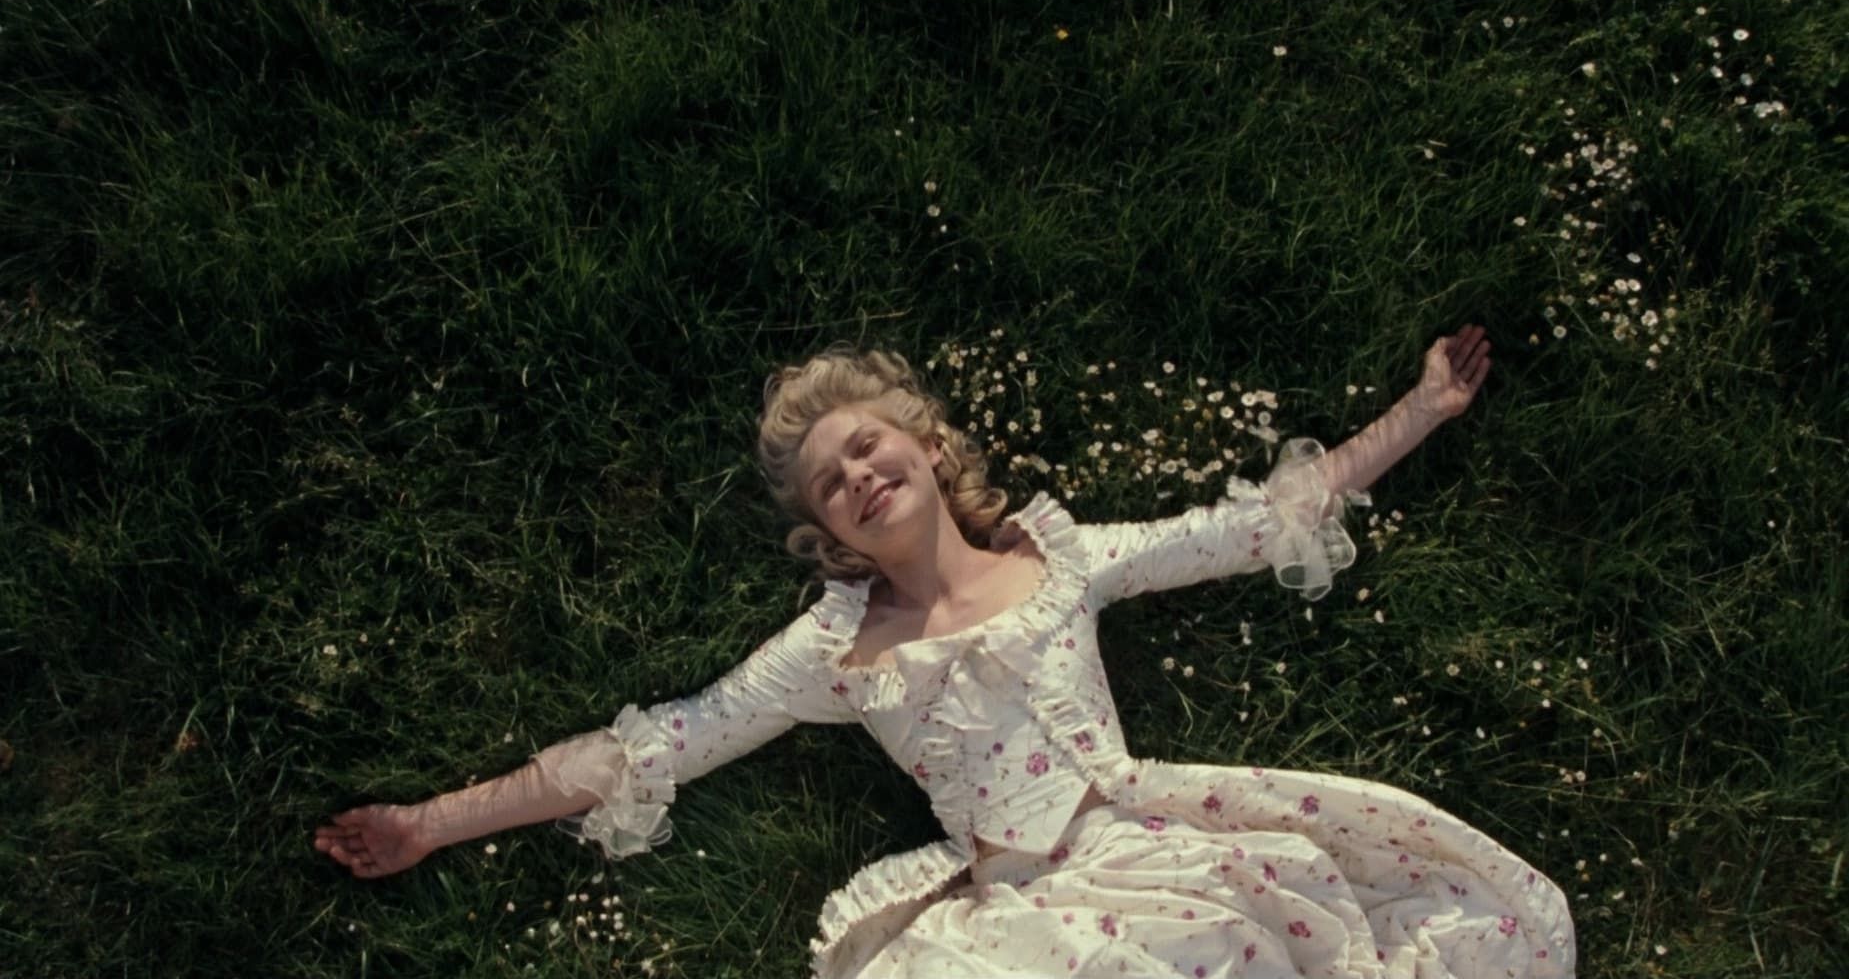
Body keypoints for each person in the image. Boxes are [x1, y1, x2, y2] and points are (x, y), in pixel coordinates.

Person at [315, 324, 1576, 977]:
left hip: (1148, 852)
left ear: (926, 447)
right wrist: (432, 820)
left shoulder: (1062, 561)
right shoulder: (835, 651)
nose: (858, 473)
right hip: (1010, 909)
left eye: (868, 445)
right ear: (827, 532)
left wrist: (1419, 409)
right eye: (831, 481)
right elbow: (657, 746)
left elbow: (1245, 529)